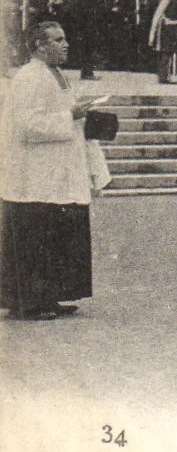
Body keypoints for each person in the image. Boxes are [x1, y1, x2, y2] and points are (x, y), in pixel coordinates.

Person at [1, 22, 110, 320]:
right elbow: (26, 125)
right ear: (39, 44)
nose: (66, 45)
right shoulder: (28, 78)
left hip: (58, 169)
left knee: (56, 234)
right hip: (35, 173)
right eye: (58, 40)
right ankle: (28, 303)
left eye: (65, 39)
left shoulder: (55, 74)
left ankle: (50, 296)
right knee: (36, 235)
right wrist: (70, 115)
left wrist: (78, 113)